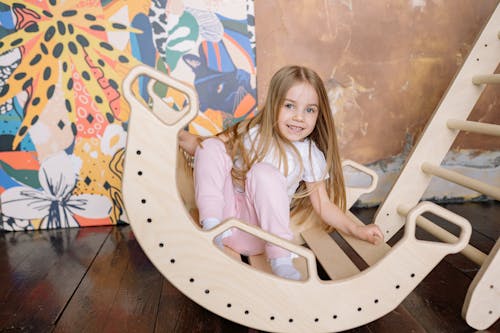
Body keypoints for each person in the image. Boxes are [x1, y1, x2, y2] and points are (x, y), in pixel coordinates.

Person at [178, 65, 382, 281]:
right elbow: (203, 150)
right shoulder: (252, 131)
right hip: (224, 218)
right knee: (209, 146)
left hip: (261, 234)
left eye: (310, 110)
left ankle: (281, 259)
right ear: (274, 104)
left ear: (318, 114)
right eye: (290, 106)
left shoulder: (310, 154)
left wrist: (357, 230)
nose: (299, 117)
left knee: (263, 172)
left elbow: (323, 205)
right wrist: (173, 136)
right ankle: (211, 227)